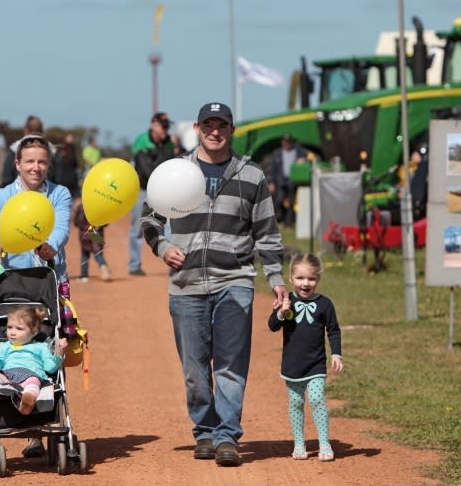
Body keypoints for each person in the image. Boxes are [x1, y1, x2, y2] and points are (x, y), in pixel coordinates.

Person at [140, 102, 287, 467]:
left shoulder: (251, 175)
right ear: (197, 127)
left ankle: (226, 436)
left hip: (234, 280)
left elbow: (266, 232)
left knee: (231, 364)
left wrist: (276, 278)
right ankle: (203, 431)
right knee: (194, 368)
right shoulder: (176, 171)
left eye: (222, 125)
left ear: (232, 129)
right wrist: (162, 247)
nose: (215, 131)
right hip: (186, 284)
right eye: (209, 125)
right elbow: (149, 217)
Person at [0, 134, 72, 458]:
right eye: (29, 161)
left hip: (47, 278)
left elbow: (61, 228)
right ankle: (17, 423)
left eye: (42, 161)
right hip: (11, 278)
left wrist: (50, 245)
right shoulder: (2, 196)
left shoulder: (59, 193)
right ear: (17, 164)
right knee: (10, 343)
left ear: (48, 164)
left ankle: (41, 424)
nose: (36, 167)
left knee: (46, 345)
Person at [267, 253, 343, 462]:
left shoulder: (325, 304)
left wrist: (336, 353)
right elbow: (272, 326)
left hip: (316, 364)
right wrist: (281, 313)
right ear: (291, 279)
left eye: (311, 278)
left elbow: (334, 331)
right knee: (296, 402)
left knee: (317, 399)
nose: (306, 283)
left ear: (318, 279)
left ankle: (324, 443)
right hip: (293, 365)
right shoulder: (286, 300)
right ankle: (299, 443)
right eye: (300, 278)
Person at [0, 306, 65, 428]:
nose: (12, 332)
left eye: (19, 328)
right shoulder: (4, 346)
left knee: (33, 382)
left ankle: (27, 401)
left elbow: (50, 368)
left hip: (31, 374)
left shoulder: (41, 347)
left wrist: (59, 353)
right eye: (9, 327)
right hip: (7, 375)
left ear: (34, 331)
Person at [129, 112, 174, 276]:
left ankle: (173, 262)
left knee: (169, 227)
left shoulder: (169, 143)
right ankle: (134, 265)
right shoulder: (142, 142)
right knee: (137, 228)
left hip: (165, 190)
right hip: (143, 189)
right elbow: (144, 168)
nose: (166, 129)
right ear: (153, 125)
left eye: (168, 126)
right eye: (163, 126)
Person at [268, 133, 310, 227]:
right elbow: (273, 169)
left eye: (289, 142)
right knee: (279, 200)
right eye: (285, 142)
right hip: (281, 181)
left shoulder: (298, 151)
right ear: (282, 142)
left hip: (292, 180)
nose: (287, 144)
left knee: (291, 202)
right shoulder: (278, 153)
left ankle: (289, 222)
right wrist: (271, 182)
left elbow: (308, 156)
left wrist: (303, 160)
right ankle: (281, 218)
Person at [72, 197, 110, 282]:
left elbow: (76, 222)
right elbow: (106, 222)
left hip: (84, 234)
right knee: (98, 253)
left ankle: (84, 276)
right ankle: (103, 267)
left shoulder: (81, 207)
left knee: (84, 254)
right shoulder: (100, 207)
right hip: (95, 232)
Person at [1, 115, 45, 187]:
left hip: (19, 195)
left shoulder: (15, 148)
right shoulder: (51, 149)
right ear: (42, 129)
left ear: (26, 129)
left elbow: (7, 177)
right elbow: (57, 177)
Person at [52, 132, 81, 198]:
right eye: (70, 137)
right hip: (61, 179)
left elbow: (75, 164)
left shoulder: (72, 149)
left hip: (71, 180)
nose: (71, 139)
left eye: (72, 137)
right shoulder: (61, 149)